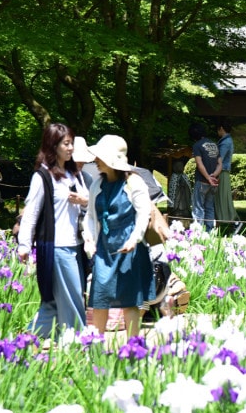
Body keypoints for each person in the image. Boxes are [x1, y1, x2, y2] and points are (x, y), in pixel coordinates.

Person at [16, 123, 87, 337]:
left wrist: (84, 200)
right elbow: (31, 213)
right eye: (66, 143)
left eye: (71, 143)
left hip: (76, 245)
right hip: (57, 247)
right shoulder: (43, 176)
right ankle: (79, 344)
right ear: (53, 145)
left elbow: (88, 202)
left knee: (53, 303)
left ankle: (25, 342)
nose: (71, 148)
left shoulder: (74, 174)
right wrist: (24, 245)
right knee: (74, 299)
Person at [82, 135, 155, 336]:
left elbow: (143, 213)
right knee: (99, 297)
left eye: (100, 157)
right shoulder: (98, 184)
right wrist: (88, 237)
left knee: (129, 300)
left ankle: (132, 348)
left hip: (129, 247)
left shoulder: (134, 182)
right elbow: (90, 215)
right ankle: (95, 345)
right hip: (105, 248)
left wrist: (134, 239)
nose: (95, 161)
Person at [188, 122, 221, 230]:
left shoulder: (197, 145)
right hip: (214, 182)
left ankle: (199, 233)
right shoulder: (214, 145)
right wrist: (214, 176)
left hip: (202, 181)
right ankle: (209, 232)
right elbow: (220, 163)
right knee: (209, 207)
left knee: (198, 208)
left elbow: (199, 163)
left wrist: (207, 177)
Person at [215, 117, 242, 234]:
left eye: (218, 129)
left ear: (221, 128)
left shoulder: (225, 142)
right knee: (220, 199)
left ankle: (236, 222)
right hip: (222, 172)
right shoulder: (226, 140)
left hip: (222, 173)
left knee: (223, 199)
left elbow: (219, 158)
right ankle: (218, 226)